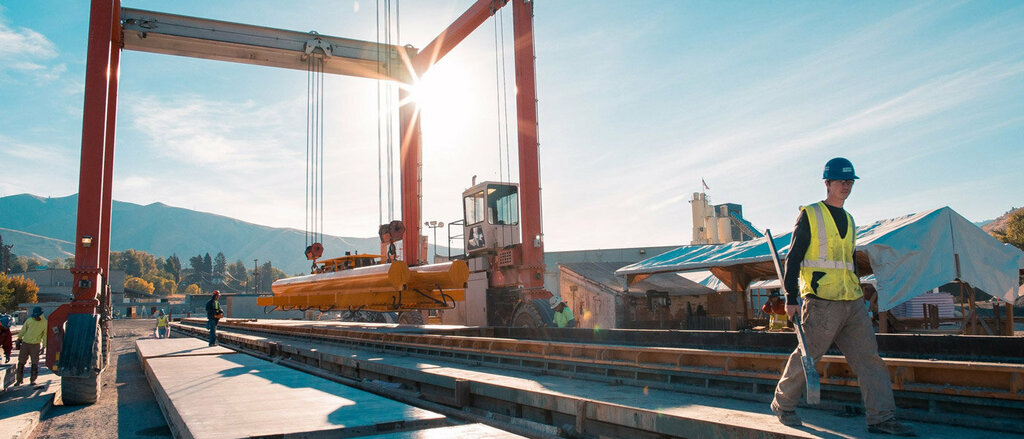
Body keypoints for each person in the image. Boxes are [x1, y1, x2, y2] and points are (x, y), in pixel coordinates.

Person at [770, 158, 914, 436]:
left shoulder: (849, 219)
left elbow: (849, 262)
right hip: (822, 300)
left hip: (852, 300)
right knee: (808, 356)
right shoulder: (811, 214)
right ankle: (783, 404)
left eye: (850, 181)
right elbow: (793, 258)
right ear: (828, 183)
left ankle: (882, 418)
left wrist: (861, 294)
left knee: (870, 359)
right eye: (841, 181)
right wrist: (791, 298)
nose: (846, 186)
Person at [15, 306, 47, 386]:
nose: (36, 317)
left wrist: (44, 346)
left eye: (37, 316)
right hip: (25, 343)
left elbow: (45, 335)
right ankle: (19, 380)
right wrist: (19, 338)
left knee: (34, 363)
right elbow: (23, 330)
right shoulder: (29, 320)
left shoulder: (45, 323)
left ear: (41, 314)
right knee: (21, 362)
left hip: (35, 345)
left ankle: (33, 380)